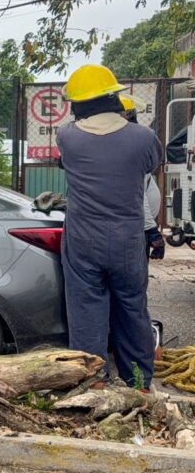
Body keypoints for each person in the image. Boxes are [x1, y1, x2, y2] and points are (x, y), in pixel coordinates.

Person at [57, 65, 160, 390]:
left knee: (86, 309)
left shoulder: (68, 137)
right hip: (127, 241)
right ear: (115, 97)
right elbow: (150, 165)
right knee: (132, 309)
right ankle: (140, 382)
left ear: (78, 104)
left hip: (83, 240)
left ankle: (94, 382)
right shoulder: (143, 138)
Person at [119, 95, 166, 260]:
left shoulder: (129, 142)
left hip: (139, 223)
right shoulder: (132, 144)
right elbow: (138, 196)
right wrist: (152, 232)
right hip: (138, 225)